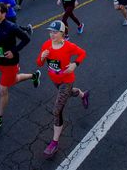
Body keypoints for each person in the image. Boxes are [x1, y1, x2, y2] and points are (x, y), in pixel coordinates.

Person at [0, 3, 41, 132]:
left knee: (3, 89)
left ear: (3, 14)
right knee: (14, 80)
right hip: (0, 61)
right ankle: (34, 75)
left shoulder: (11, 27)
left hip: (11, 62)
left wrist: (14, 51)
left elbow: (26, 39)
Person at [36, 20, 89, 158]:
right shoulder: (46, 45)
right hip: (55, 81)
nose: (51, 34)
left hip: (67, 80)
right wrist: (42, 57)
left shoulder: (69, 46)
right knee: (70, 93)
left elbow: (83, 53)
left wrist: (75, 65)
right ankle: (83, 95)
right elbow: (39, 63)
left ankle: (54, 143)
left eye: (55, 32)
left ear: (62, 33)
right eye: (50, 32)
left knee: (57, 110)